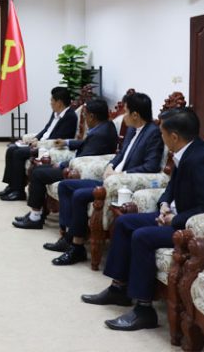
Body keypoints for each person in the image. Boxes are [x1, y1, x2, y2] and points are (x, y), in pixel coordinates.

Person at [81, 108, 204, 331]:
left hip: (193, 228)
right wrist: (163, 204)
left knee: (142, 236)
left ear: (174, 136)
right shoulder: (186, 151)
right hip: (174, 215)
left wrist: (175, 219)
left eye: (162, 133)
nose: (161, 137)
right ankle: (118, 289)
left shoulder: (201, 160)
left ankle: (144, 310)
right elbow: (172, 186)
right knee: (124, 222)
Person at [49, 92, 164, 265]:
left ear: (135, 115)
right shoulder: (132, 129)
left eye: (126, 112)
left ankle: (77, 247)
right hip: (110, 179)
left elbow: (151, 166)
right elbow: (121, 155)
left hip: (122, 184)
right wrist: (111, 165)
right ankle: (68, 237)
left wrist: (122, 175)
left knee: (79, 195)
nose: (123, 116)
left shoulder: (153, 133)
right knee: (66, 186)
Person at [12, 98, 118, 228]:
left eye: (85, 115)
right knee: (39, 169)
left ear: (92, 116)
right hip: (78, 164)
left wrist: (62, 164)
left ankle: (35, 218)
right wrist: (67, 142)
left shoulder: (100, 134)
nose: (85, 119)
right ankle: (37, 213)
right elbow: (86, 143)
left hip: (79, 170)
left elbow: (85, 155)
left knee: (38, 173)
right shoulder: (105, 126)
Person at [0, 86, 78, 201]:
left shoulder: (70, 117)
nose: (50, 103)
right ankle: (11, 186)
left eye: (52, 100)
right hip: (40, 144)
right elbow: (46, 130)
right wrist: (35, 138)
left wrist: (39, 144)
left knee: (18, 153)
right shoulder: (55, 113)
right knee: (11, 149)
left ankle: (19, 191)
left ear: (59, 102)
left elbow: (59, 139)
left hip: (49, 149)